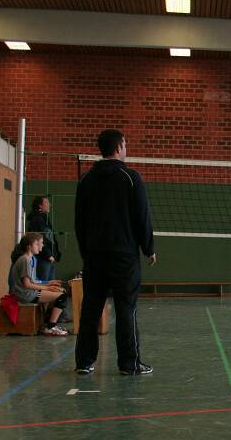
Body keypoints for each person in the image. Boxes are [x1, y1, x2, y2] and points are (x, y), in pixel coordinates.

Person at [73, 129, 156, 376]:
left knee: (90, 308)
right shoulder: (131, 178)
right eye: (126, 144)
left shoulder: (86, 180)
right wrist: (148, 248)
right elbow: (142, 217)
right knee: (126, 309)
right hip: (124, 257)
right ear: (119, 147)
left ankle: (84, 362)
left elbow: (79, 221)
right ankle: (129, 364)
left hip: (95, 256)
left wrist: (86, 251)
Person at [9, 233, 69, 336]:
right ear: (29, 247)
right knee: (62, 295)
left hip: (28, 291)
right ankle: (51, 326)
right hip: (25, 294)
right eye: (38, 244)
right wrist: (48, 287)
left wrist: (48, 283)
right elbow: (27, 284)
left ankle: (46, 324)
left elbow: (33, 280)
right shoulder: (25, 260)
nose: (41, 246)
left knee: (60, 291)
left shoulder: (31, 259)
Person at [26, 196, 61, 282]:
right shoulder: (37, 219)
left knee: (50, 284)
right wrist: (48, 255)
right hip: (43, 258)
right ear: (40, 205)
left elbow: (49, 238)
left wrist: (54, 254)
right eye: (46, 202)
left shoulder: (44, 219)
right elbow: (39, 239)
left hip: (49, 258)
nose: (49, 205)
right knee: (43, 284)